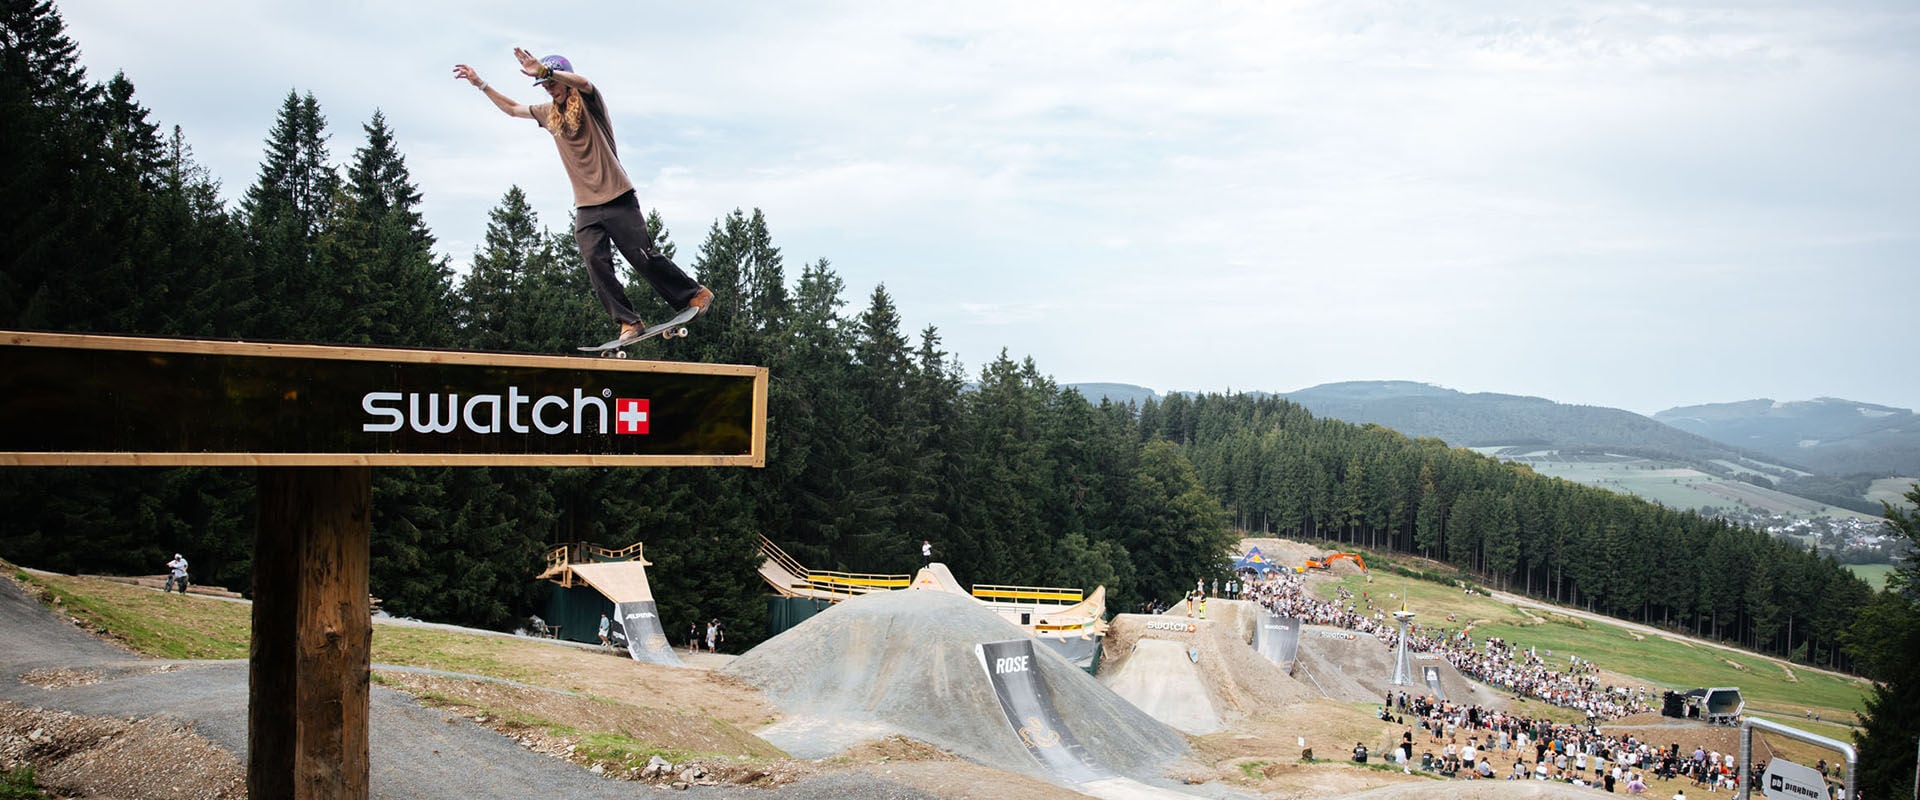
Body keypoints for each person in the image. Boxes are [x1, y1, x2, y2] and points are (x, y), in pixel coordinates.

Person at [453, 49, 712, 345]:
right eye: (545, 86)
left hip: (618, 196)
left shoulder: (591, 104)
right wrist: (481, 85)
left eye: (552, 83)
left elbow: (585, 83)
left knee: (642, 257)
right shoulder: (549, 114)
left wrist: (547, 71)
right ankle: (628, 321)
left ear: (564, 82)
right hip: (586, 206)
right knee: (594, 261)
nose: (549, 89)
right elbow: (513, 108)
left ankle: (694, 294)